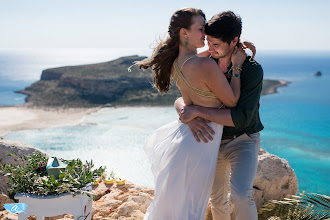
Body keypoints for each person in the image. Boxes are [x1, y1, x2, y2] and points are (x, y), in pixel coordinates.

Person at [136, 8, 247, 220]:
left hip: (188, 140)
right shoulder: (203, 64)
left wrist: (231, 46)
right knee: (190, 210)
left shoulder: (177, 63)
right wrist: (238, 66)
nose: (205, 34)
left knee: (177, 210)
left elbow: (204, 60)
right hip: (200, 143)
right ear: (184, 33)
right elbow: (232, 100)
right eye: (200, 29)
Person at [175, 11, 264, 220]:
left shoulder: (252, 70)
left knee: (242, 195)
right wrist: (186, 112)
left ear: (234, 41)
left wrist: (198, 111)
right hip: (211, 140)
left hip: (243, 139)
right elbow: (183, 97)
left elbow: (241, 117)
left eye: (216, 44)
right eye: (208, 42)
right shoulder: (207, 64)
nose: (210, 49)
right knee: (216, 199)